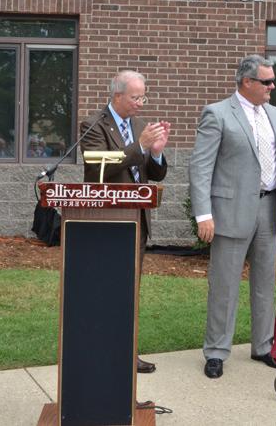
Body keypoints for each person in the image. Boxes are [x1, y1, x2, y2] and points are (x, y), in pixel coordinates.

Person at [189, 55, 276, 379]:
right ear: (247, 82)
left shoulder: (274, 114)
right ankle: (216, 351)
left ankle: (263, 345)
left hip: (270, 208)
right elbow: (201, 166)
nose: (272, 87)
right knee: (224, 285)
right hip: (230, 212)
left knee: (265, 282)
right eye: (266, 81)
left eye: (272, 80)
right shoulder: (217, 113)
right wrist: (203, 214)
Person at [80, 70, 171, 373]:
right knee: (105, 290)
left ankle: (126, 354)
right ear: (117, 95)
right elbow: (98, 171)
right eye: (135, 97)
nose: (140, 103)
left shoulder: (140, 126)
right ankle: (100, 352)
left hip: (137, 222)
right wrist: (141, 147)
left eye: (143, 96)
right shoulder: (92, 125)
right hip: (108, 222)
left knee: (130, 291)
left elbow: (153, 175)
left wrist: (156, 154)